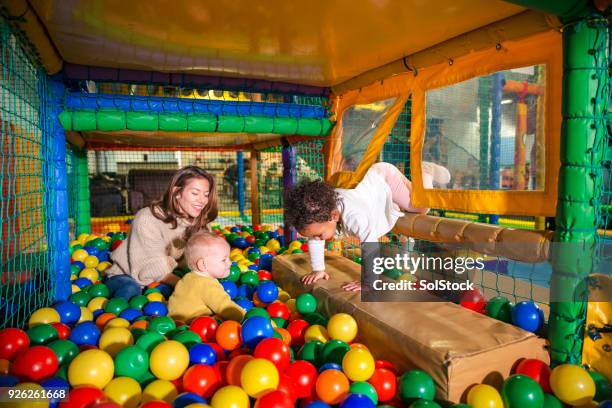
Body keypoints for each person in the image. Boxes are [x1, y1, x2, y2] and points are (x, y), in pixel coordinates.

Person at [283, 161, 450, 292]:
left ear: (333, 216)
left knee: (421, 207)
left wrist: (369, 283)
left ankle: (426, 171)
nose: (317, 239)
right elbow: (315, 238)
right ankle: (393, 201)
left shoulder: (354, 216)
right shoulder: (323, 214)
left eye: (319, 235)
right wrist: (318, 269)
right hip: (370, 189)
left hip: (384, 178)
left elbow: (370, 246)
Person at [104, 166, 218, 299]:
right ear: (177, 192)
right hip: (127, 276)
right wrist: (187, 285)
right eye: (195, 193)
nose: (202, 200)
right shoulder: (147, 218)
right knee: (131, 291)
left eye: (206, 194)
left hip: (167, 277)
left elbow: (206, 256)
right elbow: (151, 266)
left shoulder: (200, 222)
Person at [167, 232, 245, 323]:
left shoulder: (187, 277)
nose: (230, 263)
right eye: (224, 260)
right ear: (203, 265)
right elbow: (225, 307)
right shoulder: (208, 285)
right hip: (192, 326)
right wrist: (244, 316)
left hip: (173, 321)